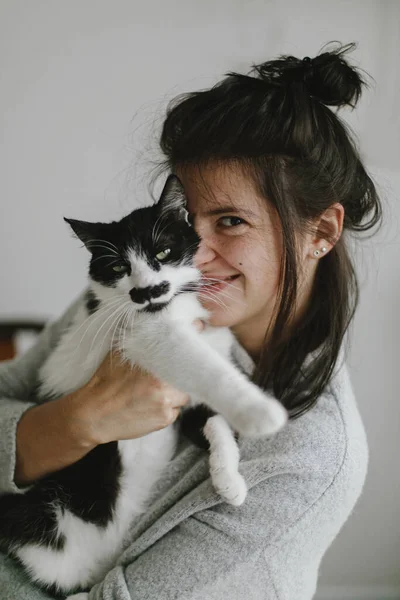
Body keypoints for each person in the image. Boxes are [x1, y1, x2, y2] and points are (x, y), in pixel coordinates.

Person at [0, 42, 381, 600]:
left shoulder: (310, 457)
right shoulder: (122, 304)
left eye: (230, 221)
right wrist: (75, 422)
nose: (191, 256)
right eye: (186, 220)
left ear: (320, 233)